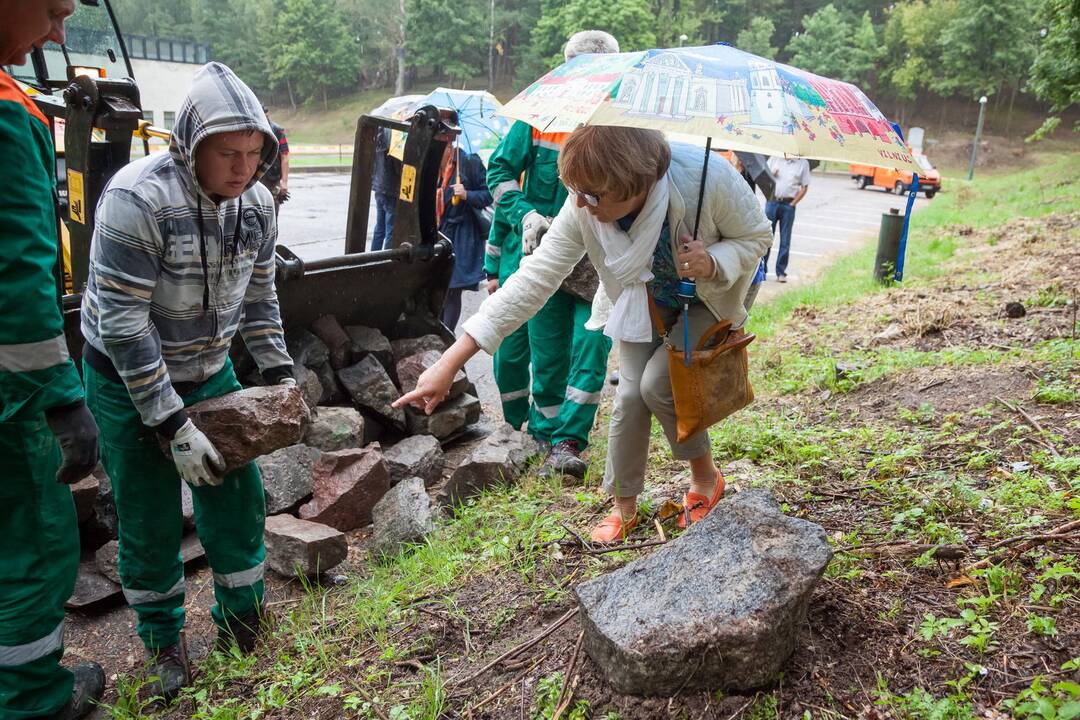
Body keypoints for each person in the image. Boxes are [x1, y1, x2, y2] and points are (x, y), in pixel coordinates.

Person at [396, 126, 771, 543]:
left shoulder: (707, 178)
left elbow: (757, 236)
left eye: (592, 195)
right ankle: (623, 506)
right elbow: (534, 279)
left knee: (658, 386)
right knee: (629, 395)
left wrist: (712, 260)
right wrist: (450, 362)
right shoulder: (584, 204)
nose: (579, 203)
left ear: (638, 183)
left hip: (705, 295)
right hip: (640, 296)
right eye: (574, 190)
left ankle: (705, 480)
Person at [79, 62, 295, 700]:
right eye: (227, 153)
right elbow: (121, 324)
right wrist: (170, 422)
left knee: (235, 497)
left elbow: (260, 298)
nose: (242, 168)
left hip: (209, 369)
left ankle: (242, 618)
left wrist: (278, 374)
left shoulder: (255, 204)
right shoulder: (136, 197)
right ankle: (164, 642)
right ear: (189, 145)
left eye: (254, 154)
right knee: (147, 515)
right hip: (125, 379)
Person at [0, 2, 107, 718]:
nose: (57, 33)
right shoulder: (9, 116)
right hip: (11, 394)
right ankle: (35, 698)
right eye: (50, 10)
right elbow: (17, 276)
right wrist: (62, 396)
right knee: (34, 539)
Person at [483, 30, 619, 480]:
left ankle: (568, 440)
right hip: (549, 250)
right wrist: (524, 214)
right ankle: (538, 434)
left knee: (591, 343)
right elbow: (499, 170)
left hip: (601, 255)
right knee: (545, 351)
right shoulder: (540, 116)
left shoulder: (621, 121)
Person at [437, 126, 493, 330]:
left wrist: (467, 194)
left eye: (442, 144)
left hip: (463, 235)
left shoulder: (469, 162)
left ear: (450, 143)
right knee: (439, 287)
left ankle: (447, 334)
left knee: (453, 288)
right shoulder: (432, 165)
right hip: (440, 233)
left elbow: (489, 194)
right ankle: (439, 330)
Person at [763, 156, 811, 283]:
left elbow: (805, 187)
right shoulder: (774, 159)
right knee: (766, 238)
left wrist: (793, 204)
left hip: (788, 204)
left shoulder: (802, 163)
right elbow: (763, 178)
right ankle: (762, 270)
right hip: (772, 202)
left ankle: (781, 272)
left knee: (785, 240)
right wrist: (771, 174)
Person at [371, 125, 402, 251]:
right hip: (391, 190)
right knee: (390, 229)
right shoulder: (394, 143)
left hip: (379, 188)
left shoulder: (378, 141)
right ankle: (385, 260)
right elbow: (397, 170)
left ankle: (372, 258)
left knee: (379, 228)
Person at [259, 105, 289, 213]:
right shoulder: (252, 129)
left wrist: (284, 182)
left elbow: (285, 156)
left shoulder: (278, 131)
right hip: (255, 176)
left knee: (272, 209)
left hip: (272, 177)